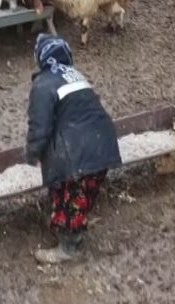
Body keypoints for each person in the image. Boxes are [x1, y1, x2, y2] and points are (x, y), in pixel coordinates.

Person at [25, 33, 121, 264]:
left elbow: (39, 126)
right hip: (103, 143)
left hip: (79, 149)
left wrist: (31, 154)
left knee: (70, 194)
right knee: (85, 191)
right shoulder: (76, 75)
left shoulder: (43, 83)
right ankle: (73, 228)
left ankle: (70, 248)